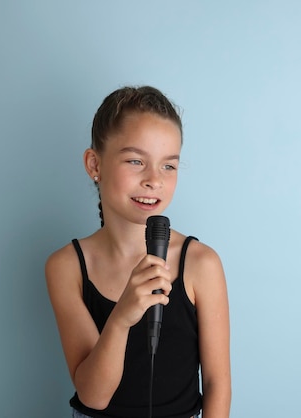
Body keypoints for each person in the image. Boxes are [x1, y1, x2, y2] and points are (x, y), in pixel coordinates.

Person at [45, 86, 231, 418]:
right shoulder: (66, 266)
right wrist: (121, 317)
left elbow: (217, 383)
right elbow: (94, 396)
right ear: (94, 164)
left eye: (168, 166)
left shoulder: (202, 263)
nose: (153, 180)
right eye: (135, 161)